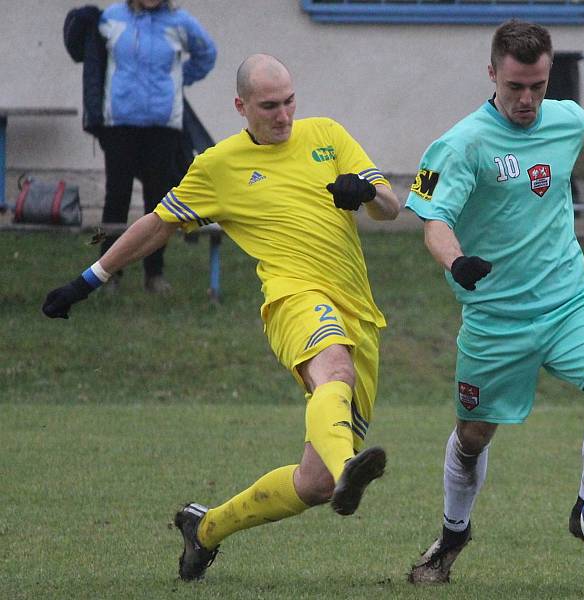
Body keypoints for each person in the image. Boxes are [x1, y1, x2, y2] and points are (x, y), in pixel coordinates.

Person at [42, 54, 400, 582]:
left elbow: (392, 206)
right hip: (293, 299)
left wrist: (367, 192)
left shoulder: (327, 134)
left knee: (316, 484)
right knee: (334, 372)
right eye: (269, 106)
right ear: (241, 107)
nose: (283, 116)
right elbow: (159, 224)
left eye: (289, 102)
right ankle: (350, 462)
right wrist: (88, 279)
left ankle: (206, 528)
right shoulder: (218, 165)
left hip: (360, 313)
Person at [404, 20, 584, 584]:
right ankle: (453, 534)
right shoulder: (461, 143)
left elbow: (576, 149)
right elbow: (432, 218)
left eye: (537, 85)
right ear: (492, 74)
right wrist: (455, 261)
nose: (527, 99)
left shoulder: (563, 117)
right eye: (515, 86)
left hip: (569, 303)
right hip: (496, 319)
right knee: (472, 437)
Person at [96, 0, 216, 293]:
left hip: (163, 127)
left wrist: (175, 82)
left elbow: (207, 55)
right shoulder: (111, 18)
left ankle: (155, 274)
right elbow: (92, 59)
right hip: (119, 123)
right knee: (116, 197)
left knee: (159, 201)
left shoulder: (180, 23)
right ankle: (108, 273)